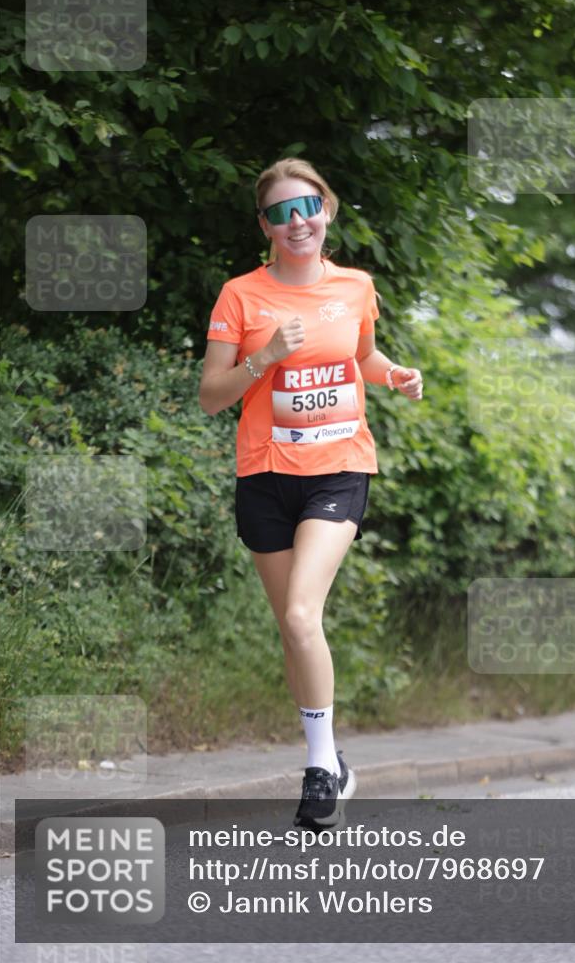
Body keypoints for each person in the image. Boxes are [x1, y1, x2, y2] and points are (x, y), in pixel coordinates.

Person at [199, 157, 423, 829]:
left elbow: (361, 358)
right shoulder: (240, 296)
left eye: (308, 208)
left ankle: (322, 766)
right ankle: (331, 758)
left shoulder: (355, 286)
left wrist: (396, 377)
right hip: (265, 475)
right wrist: (262, 358)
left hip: (338, 469)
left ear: (325, 210)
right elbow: (212, 397)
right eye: (280, 213)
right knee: (293, 631)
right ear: (263, 225)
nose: (297, 223)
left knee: (301, 616)